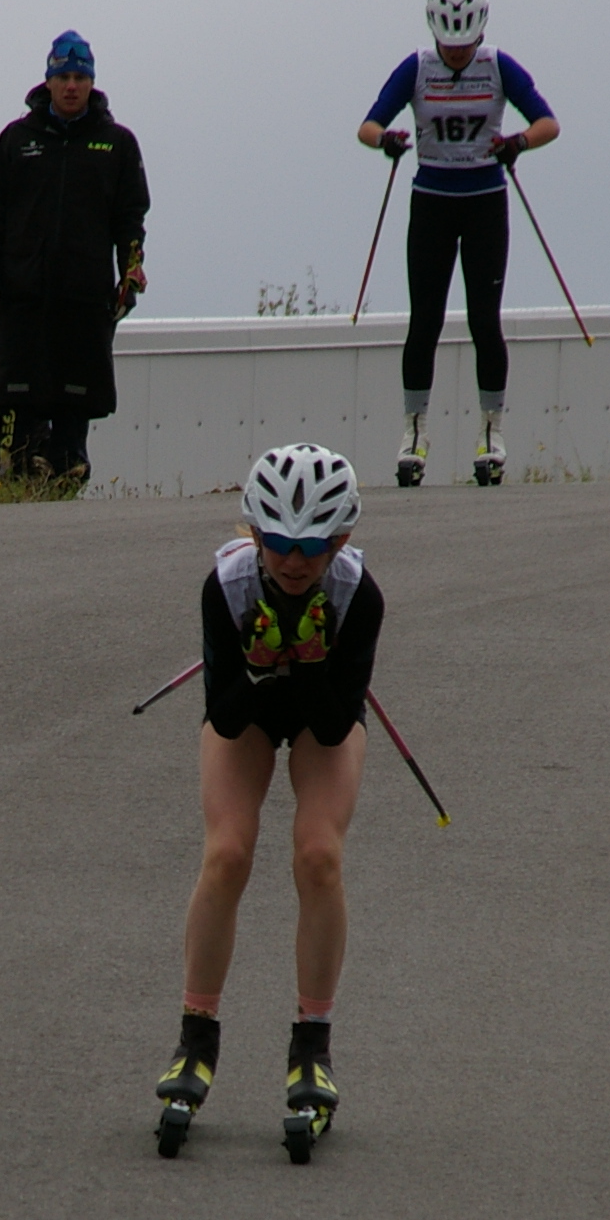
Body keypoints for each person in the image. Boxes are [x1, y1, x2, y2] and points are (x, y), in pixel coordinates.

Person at [155, 446, 380, 1167]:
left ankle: (312, 1047)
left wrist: (305, 661)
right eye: (278, 542)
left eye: (312, 547)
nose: (293, 561)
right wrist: (260, 665)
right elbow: (224, 716)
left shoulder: (357, 596)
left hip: (321, 715)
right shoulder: (226, 587)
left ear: (340, 539)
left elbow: (335, 724)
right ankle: (195, 1038)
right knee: (227, 853)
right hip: (246, 713)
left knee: (319, 856)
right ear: (254, 531)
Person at [356, 0, 559, 487]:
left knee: (484, 321)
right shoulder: (417, 67)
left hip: (485, 202)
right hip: (432, 203)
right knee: (424, 321)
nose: (456, 53)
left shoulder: (498, 66)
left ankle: (492, 432)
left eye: (465, 44)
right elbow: (367, 125)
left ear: (480, 33)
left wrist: (517, 143)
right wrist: (386, 140)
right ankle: (414, 432)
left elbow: (548, 122)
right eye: (449, 44)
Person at [0, 32, 149, 488]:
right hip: (24, 291)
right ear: (48, 81)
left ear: (91, 82)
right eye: (63, 77)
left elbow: (131, 220)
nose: (71, 86)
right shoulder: (17, 139)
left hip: (84, 292)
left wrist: (130, 275)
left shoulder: (117, 143)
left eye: (80, 77)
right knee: (17, 392)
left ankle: (68, 467)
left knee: (77, 394)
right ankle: (17, 462)